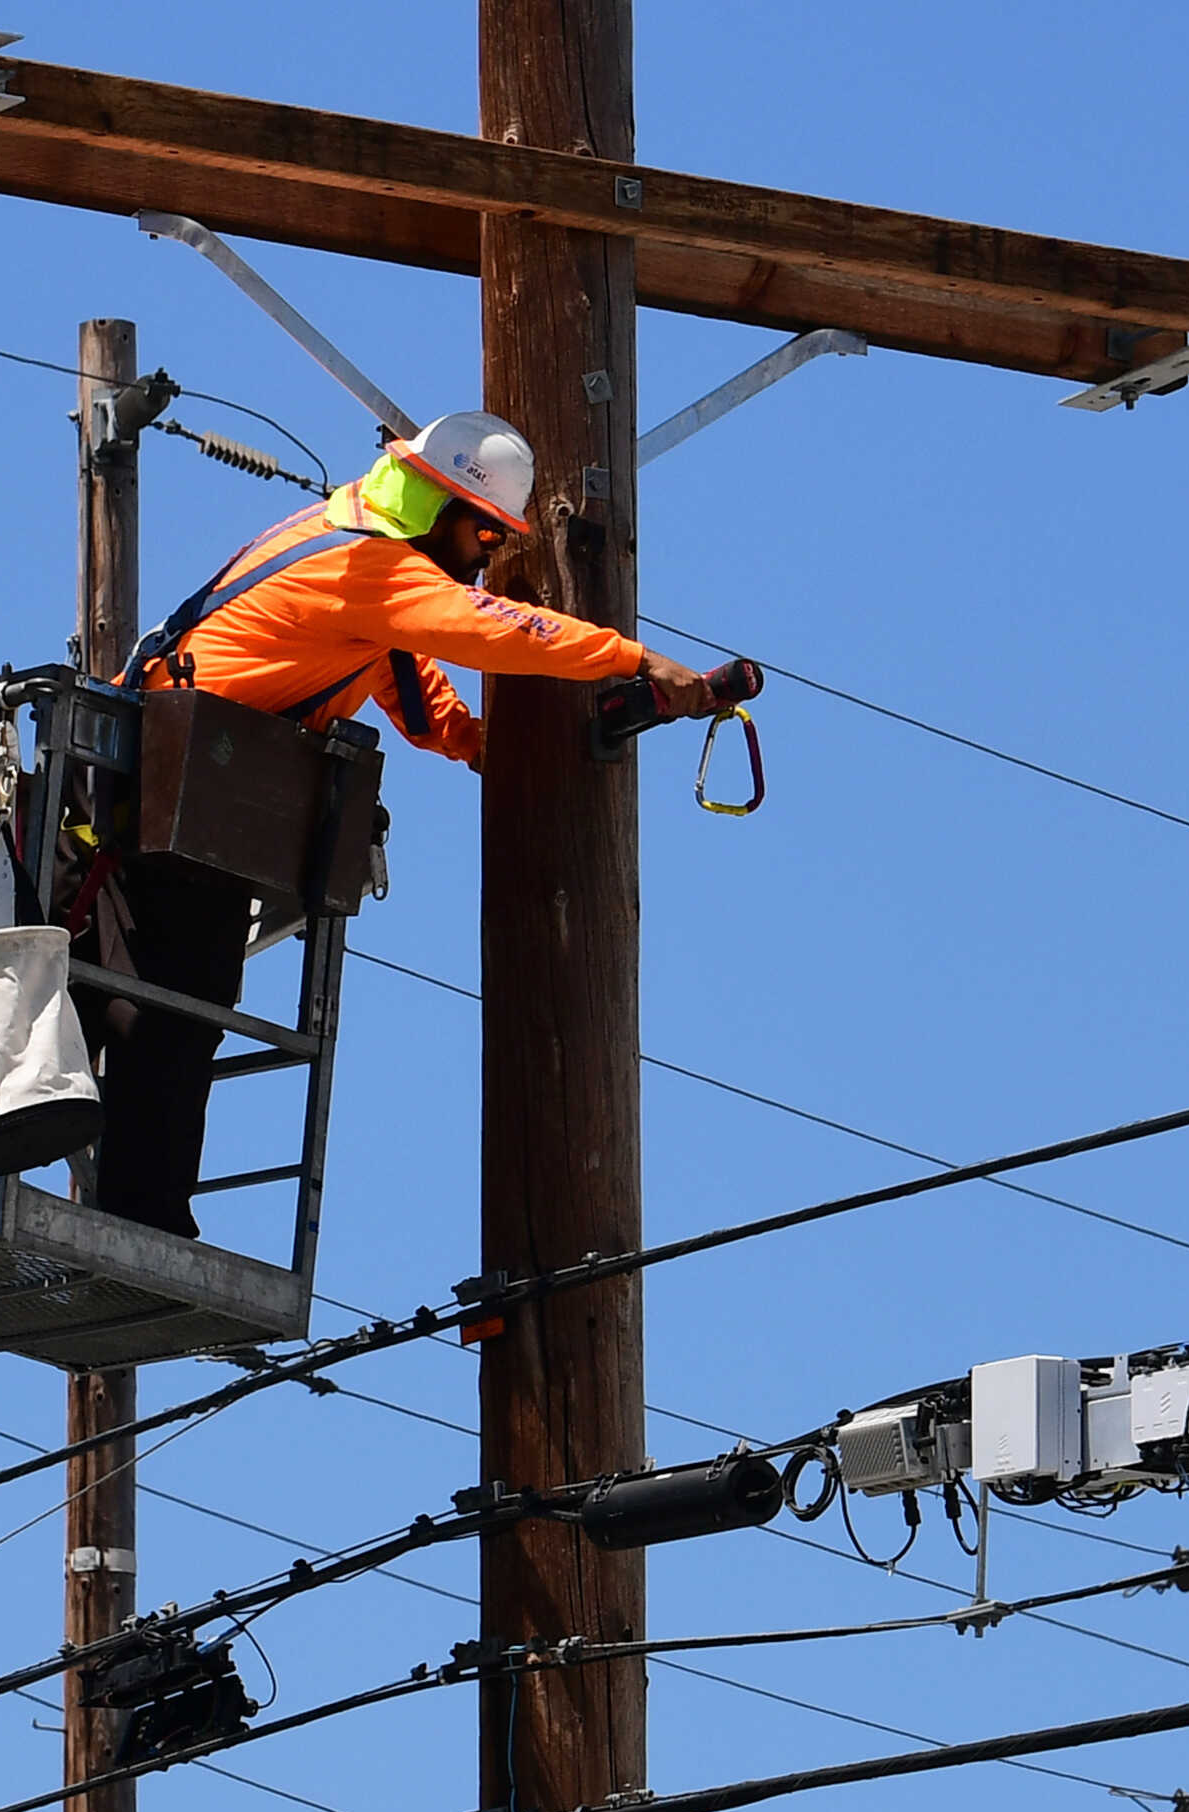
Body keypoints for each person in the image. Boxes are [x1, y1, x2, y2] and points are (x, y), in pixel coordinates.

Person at [70, 411, 729, 1234]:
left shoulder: (351, 534)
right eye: (487, 532)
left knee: (107, 995)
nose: (490, 552)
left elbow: (411, 688)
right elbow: (488, 631)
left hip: (167, 776)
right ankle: (143, 1217)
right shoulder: (371, 565)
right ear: (442, 508)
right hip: (180, 783)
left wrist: (478, 744)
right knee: (173, 1003)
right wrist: (634, 658)